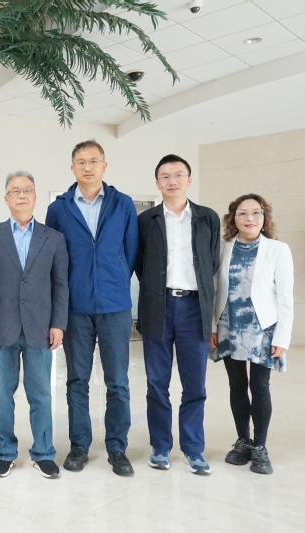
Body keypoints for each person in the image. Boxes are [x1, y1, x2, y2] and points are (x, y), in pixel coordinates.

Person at [45, 139, 139, 477]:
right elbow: (53, 258)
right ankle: (79, 445)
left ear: (104, 166)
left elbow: (130, 252)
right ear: (72, 168)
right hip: (75, 307)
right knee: (77, 380)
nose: (88, 167)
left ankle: (117, 447)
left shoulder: (123, 204)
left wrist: (113, 280)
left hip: (115, 306)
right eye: (81, 162)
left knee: (118, 382)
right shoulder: (58, 209)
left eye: (94, 161)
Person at [0, 171, 69, 479]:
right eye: (15, 191)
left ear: (35, 197)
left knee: (40, 394)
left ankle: (43, 452)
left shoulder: (53, 238)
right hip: (1, 327)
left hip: (40, 328)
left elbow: (60, 285)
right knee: (3, 394)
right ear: (6, 198)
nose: (21, 195)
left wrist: (58, 324)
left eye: (27, 190)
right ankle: (4, 452)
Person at [135, 155, 220, 475]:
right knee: (157, 383)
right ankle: (160, 447)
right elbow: (140, 264)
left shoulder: (207, 218)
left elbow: (211, 262)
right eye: (165, 176)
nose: (172, 181)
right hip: (158, 307)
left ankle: (193, 449)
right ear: (157, 183)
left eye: (178, 175)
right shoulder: (146, 220)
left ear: (189, 180)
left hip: (194, 309)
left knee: (195, 385)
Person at [211, 194, 294, 475]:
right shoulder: (222, 248)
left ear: (264, 217)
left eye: (256, 213)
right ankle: (243, 441)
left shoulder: (277, 250)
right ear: (233, 218)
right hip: (229, 324)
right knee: (236, 385)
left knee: (259, 387)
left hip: (263, 329)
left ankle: (260, 446)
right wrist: (212, 327)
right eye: (242, 213)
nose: (250, 218)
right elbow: (214, 291)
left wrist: (282, 337)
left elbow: (285, 297)